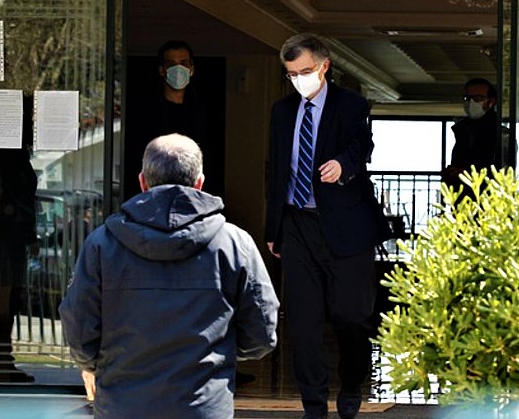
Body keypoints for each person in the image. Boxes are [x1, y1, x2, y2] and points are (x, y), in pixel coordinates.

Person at [60, 133, 279, 418]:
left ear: (142, 182)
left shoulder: (102, 244)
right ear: (200, 182)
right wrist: (219, 353)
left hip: (123, 406)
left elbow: (78, 328)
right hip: (203, 407)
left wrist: (95, 365)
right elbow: (262, 333)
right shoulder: (235, 244)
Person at [264, 33, 391, 419]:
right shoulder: (282, 111)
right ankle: (314, 406)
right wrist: (273, 229)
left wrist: (342, 166)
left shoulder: (351, 105)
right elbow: (275, 170)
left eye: (305, 71)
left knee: (351, 315)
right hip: (297, 224)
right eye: (291, 74)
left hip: (346, 225)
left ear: (324, 66)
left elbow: (362, 146)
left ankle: (351, 383)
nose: (298, 79)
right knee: (302, 323)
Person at [0, 99, 38, 383]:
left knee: (9, 300)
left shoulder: (12, 153)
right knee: (4, 300)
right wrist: (27, 234)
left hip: (10, 236)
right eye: (30, 117)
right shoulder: (5, 153)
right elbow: (12, 199)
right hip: (6, 237)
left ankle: (0, 361)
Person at [122, 40, 223, 200]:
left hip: (192, 194)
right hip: (153, 193)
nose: (178, 69)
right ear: (162, 70)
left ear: (191, 69)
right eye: (171, 64)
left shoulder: (203, 109)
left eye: (183, 63)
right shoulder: (145, 109)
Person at [440, 78, 516, 189]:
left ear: (491, 102)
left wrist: (465, 174)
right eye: (467, 98)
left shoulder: (502, 135)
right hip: (462, 195)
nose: (471, 102)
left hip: (488, 196)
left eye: (478, 98)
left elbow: (503, 175)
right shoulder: (464, 131)